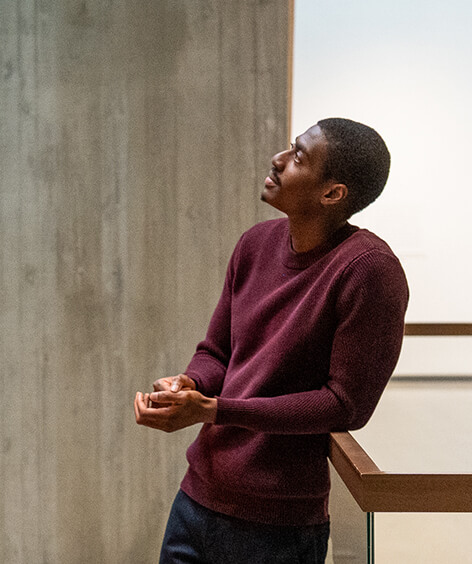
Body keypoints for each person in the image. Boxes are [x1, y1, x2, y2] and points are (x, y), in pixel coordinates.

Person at [132, 117, 408, 564]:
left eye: (298, 157)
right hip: (197, 496)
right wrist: (191, 384)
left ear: (332, 193)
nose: (278, 161)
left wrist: (217, 409)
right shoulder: (255, 243)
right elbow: (218, 352)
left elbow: (346, 405)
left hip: (278, 526)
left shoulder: (369, 271)